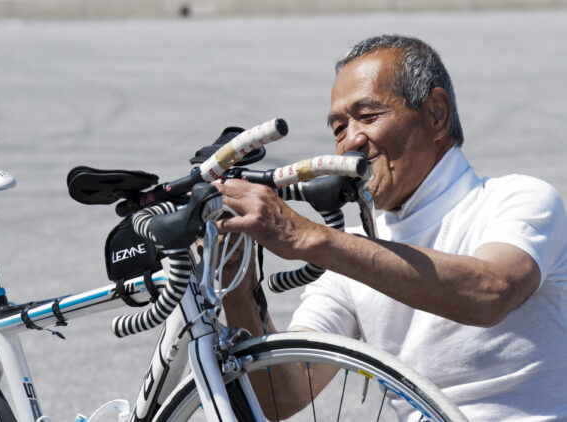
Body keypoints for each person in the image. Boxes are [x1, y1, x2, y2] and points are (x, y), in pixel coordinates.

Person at [215, 35, 567, 421]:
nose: (350, 142)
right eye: (338, 128)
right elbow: (280, 396)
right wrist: (238, 283)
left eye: (368, 117)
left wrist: (307, 237)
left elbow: (490, 292)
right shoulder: (348, 253)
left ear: (436, 114)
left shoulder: (518, 199)